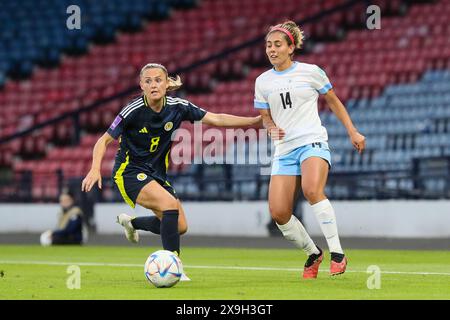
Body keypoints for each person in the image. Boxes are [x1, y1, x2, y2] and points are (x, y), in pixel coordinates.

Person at [81, 63, 261, 280]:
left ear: (167, 84)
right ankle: (174, 264)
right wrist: (94, 168)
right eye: (148, 81)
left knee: (180, 226)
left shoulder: (178, 106)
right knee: (169, 205)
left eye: (158, 80)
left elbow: (217, 118)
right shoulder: (132, 110)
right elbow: (103, 140)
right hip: (129, 172)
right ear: (141, 85)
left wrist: (254, 121)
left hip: (157, 174)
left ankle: (132, 222)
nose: (153, 84)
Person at [255, 21, 366, 279]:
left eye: (277, 45)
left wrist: (353, 131)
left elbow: (333, 101)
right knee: (279, 213)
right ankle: (313, 253)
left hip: (312, 141)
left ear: (291, 47)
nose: (272, 49)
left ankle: (337, 252)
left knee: (312, 190)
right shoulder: (262, 81)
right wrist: (271, 127)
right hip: (284, 149)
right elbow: (264, 115)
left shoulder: (311, 72)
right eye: (268, 45)